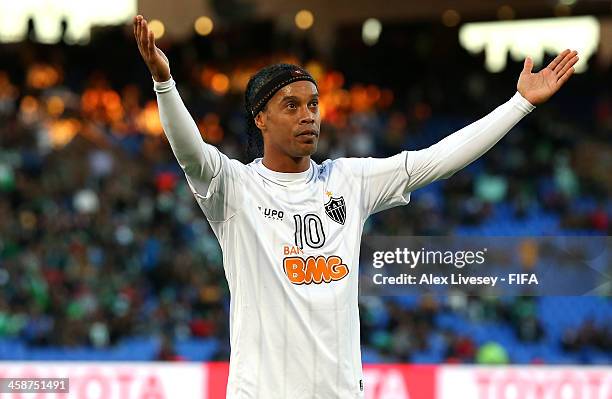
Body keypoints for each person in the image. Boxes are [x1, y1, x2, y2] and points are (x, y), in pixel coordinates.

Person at [133, 14, 578, 399]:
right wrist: (164, 82)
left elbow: (438, 160)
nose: (308, 115)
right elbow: (190, 151)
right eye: (291, 105)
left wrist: (519, 104)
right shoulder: (235, 188)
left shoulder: (348, 181)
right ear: (260, 118)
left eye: (313, 104)